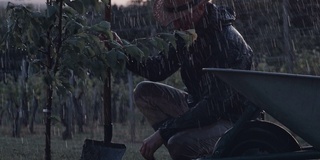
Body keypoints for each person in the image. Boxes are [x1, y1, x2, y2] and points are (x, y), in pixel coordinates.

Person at [125, 0, 253, 159]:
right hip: (200, 108)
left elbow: (214, 106)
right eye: (173, 18)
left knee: (179, 143)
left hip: (232, 121)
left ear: (200, 8)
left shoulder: (226, 41)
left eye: (181, 17)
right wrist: (121, 52)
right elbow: (157, 69)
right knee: (144, 93)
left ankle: (186, 146)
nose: (176, 24)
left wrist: (164, 132)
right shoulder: (188, 34)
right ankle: (186, 149)